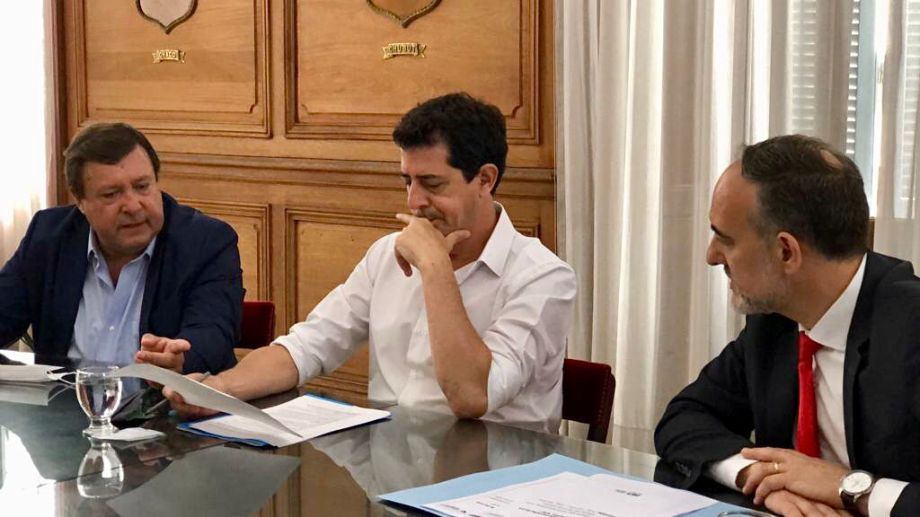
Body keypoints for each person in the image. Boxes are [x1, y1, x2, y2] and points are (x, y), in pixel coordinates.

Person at [166, 92, 577, 433]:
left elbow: (472, 396)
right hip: (393, 472)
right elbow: (309, 345)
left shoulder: (543, 278)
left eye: (432, 184)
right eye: (407, 181)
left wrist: (436, 269)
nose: (414, 202)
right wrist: (220, 389)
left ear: (485, 179)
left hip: (496, 483)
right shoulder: (385, 255)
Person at [655, 135, 920, 517]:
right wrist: (760, 477)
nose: (712, 256)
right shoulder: (774, 323)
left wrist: (849, 487)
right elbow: (683, 419)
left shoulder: (910, 329)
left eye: (725, 240)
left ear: (785, 251)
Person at [0, 122, 244, 374]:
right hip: (67, 397)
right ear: (81, 202)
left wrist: (181, 358)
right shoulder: (49, 236)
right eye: (111, 194)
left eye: (142, 187)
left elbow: (214, 332)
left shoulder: (206, 243)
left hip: (165, 397)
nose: (133, 206)